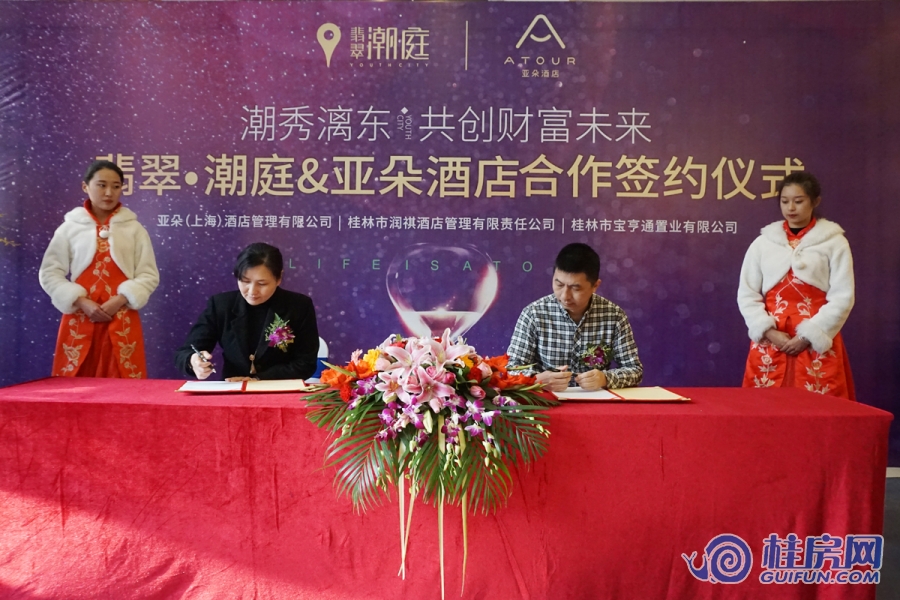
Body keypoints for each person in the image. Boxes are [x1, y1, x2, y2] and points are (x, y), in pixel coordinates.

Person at [737, 171, 855, 399]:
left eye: (798, 201)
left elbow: (843, 297)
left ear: (815, 201)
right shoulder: (763, 243)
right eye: (784, 201)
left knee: (817, 407)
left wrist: (807, 336)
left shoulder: (834, 243)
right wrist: (768, 331)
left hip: (816, 339)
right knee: (764, 407)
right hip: (771, 341)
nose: (791, 208)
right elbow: (747, 294)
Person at [39, 160, 159, 378]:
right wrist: (81, 302)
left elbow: (148, 274)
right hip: (80, 316)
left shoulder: (134, 229)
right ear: (85, 186)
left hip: (122, 316)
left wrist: (120, 300)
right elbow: (49, 272)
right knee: (74, 383)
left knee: (123, 381)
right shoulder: (70, 228)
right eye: (102, 185)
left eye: (116, 186)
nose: (109, 192)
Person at [507, 243, 643, 392]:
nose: (565, 296)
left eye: (575, 288)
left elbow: (634, 370)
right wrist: (537, 380)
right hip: (547, 400)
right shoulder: (534, 314)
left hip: (595, 402)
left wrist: (605, 378)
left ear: (595, 286)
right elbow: (510, 369)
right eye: (559, 285)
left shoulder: (614, 316)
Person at [175, 242, 319, 381]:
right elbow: (184, 352)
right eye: (245, 281)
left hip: (277, 390)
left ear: (279, 278)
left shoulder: (299, 306)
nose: (252, 291)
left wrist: (259, 380)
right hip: (232, 389)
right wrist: (193, 361)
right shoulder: (221, 305)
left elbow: (306, 364)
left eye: (262, 283)